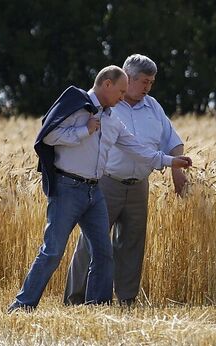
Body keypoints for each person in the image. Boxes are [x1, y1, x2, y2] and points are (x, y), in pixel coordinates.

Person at [7, 65, 191, 313]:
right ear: (107, 84)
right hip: (67, 189)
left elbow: (137, 149)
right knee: (52, 252)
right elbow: (47, 136)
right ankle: (22, 305)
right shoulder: (77, 104)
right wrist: (84, 130)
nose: (122, 97)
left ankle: (97, 307)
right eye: (120, 91)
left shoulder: (113, 120)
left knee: (104, 254)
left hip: (94, 192)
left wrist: (171, 161)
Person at [64, 54, 186, 306]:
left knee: (132, 244)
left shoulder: (153, 106)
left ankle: (126, 299)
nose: (148, 88)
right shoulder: (104, 103)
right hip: (106, 183)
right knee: (91, 242)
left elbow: (173, 140)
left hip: (139, 185)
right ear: (128, 78)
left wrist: (177, 169)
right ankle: (76, 299)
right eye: (144, 82)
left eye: (151, 82)